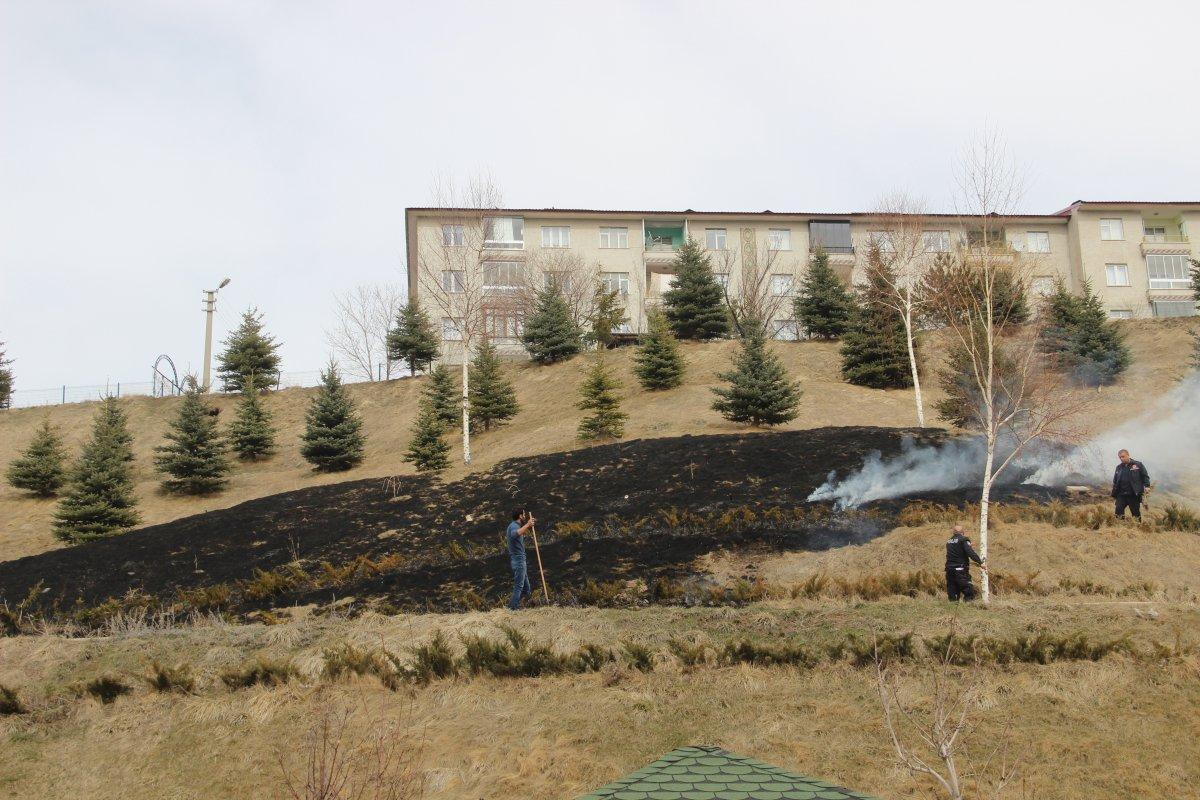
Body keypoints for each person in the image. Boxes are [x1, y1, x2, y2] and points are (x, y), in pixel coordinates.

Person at [945, 524, 987, 601]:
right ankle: (969, 604)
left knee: (952, 589)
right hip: (960, 569)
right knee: (968, 589)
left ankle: (953, 605)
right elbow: (970, 552)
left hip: (949, 569)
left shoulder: (949, 541)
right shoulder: (963, 540)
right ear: (962, 532)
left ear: (954, 532)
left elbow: (957, 551)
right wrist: (980, 563)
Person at [506, 508, 537, 611]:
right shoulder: (514, 526)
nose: (525, 516)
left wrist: (528, 525)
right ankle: (511, 609)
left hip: (519, 559)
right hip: (518, 560)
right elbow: (514, 534)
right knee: (519, 586)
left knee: (526, 589)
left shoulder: (515, 525)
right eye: (524, 515)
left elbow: (519, 532)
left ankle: (522, 607)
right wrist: (528, 524)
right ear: (520, 516)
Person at [1112, 449, 1151, 522]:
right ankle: (1120, 526)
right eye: (1120, 457)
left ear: (1128, 455)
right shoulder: (1119, 467)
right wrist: (1114, 493)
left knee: (1135, 514)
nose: (1121, 459)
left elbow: (1145, 476)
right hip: (1121, 494)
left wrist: (1147, 486)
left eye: (1123, 456)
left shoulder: (1138, 465)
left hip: (1133, 494)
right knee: (1118, 511)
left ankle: (1137, 526)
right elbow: (1115, 480)